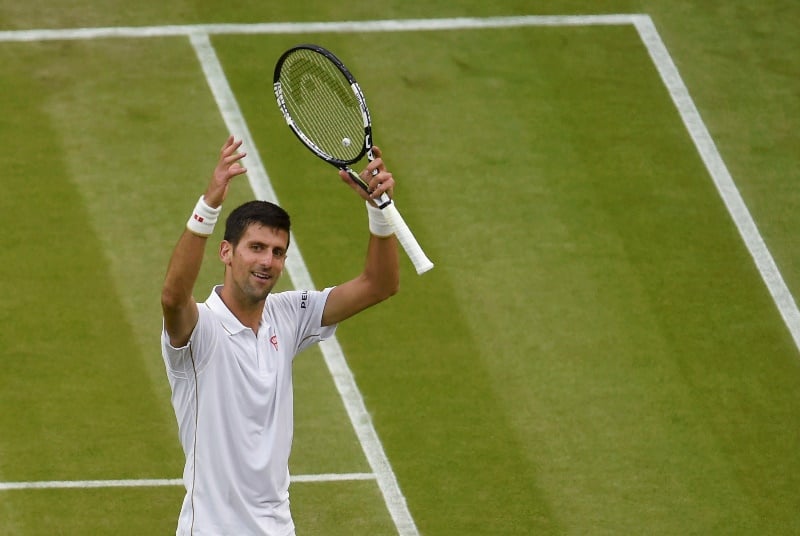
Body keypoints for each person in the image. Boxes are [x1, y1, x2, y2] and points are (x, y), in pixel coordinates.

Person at [160, 135, 400, 535]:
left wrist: (379, 211)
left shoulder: (289, 315)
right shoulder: (199, 330)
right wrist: (209, 204)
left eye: (277, 251)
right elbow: (172, 297)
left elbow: (380, 284)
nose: (266, 261)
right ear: (226, 252)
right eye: (256, 247)